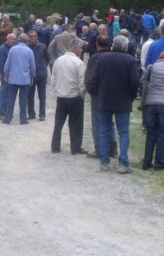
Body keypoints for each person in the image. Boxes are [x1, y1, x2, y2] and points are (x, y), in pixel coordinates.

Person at [85, 35, 139, 173]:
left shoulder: (101, 58)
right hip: (123, 100)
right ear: (125, 46)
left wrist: (99, 92)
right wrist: (131, 96)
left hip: (105, 99)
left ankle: (104, 162)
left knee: (103, 130)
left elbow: (94, 79)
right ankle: (123, 163)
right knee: (123, 132)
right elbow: (134, 82)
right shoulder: (131, 60)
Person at [50, 37, 87, 154]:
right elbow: (82, 81)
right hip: (74, 96)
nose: (81, 50)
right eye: (80, 48)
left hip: (61, 96)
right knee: (76, 123)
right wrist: (82, 94)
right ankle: (75, 148)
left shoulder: (58, 60)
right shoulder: (79, 62)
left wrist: (57, 91)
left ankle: (55, 147)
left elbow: (53, 78)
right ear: (75, 47)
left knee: (58, 122)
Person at [84, 35, 117, 160]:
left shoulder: (95, 57)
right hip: (112, 93)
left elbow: (90, 76)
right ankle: (113, 148)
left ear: (97, 44)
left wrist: (90, 89)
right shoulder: (114, 56)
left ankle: (99, 149)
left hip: (98, 93)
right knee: (110, 121)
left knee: (97, 122)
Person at [2, 33, 36, 125]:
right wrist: (32, 76)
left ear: (18, 40)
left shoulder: (12, 49)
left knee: (11, 98)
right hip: (24, 79)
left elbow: (7, 63)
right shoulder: (29, 51)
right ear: (27, 41)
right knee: (23, 99)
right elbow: (32, 66)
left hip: (13, 78)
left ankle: (7, 118)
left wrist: (6, 73)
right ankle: (23, 119)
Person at [26, 29, 49, 121]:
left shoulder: (43, 47)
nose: (33, 38)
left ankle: (42, 114)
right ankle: (31, 114)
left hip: (41, 75)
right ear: (28, 38)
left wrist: (42, 67)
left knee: (42, 96)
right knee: (30, 96)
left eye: (35, 36)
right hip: (30, 76)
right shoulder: (26, 48)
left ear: (37, 37)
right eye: (31, 36)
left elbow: (47, 59)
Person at [0, 33, 16, 120]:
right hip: (5, 75)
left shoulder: (12, 48)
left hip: (11, 75)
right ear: (7, 39)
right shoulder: (2, 49)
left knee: (9, 93)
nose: (13, 41)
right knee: (4, 92)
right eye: (12, 39)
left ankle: (7, 111)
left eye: (15, 39)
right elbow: (1, 64)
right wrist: (7, 74)